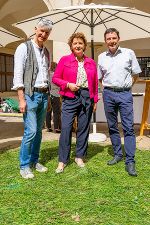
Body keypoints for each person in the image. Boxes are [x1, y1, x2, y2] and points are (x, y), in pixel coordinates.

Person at [98, 28, 141, 177]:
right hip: (108, 94)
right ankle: (117, 154)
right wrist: (105, 90)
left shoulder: (129, 53)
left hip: (124, 93)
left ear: (119, 38)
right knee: (112, 126)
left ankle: (130, 161)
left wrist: (127, 87)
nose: (111, 41)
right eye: (108, 39)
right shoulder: (101, 56)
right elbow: (99, 77)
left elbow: (135, 74)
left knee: (128, 127)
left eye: (114, 38)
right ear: (105, 41)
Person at [52, 32, 98, 173]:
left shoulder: (91, 62)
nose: (78, 45)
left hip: (86, 97)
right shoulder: (64, 60)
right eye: (75, 43)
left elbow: (95, 83)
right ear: (71, 46)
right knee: (66, 129)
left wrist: (95, 100)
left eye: (80, 43)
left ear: (84, 45)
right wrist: (67, 84)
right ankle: (62, 160)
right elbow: (55, 78)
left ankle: (79, 156)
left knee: (83, 128)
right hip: (70, 96)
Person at [12, 18, 53, 179]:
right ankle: (24, 165)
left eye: (47, 32)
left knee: (39, 132)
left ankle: (35, 161)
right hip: (29, 95)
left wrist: (48, 97)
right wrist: (21, 99)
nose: (43, 34)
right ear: (36, 29)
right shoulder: (24, 48)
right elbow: (18, 75)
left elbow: (46, 76)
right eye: (41, 30)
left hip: (43, 94)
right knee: (31, 131)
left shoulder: (46, 51)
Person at [46, 62, 61, 133]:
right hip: (56, 94)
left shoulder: (47, 75)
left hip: (48, 94)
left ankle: (48, 127)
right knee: (56, 112)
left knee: (48, 111)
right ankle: (56, 127)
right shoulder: (55, 75)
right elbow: (58, 85)